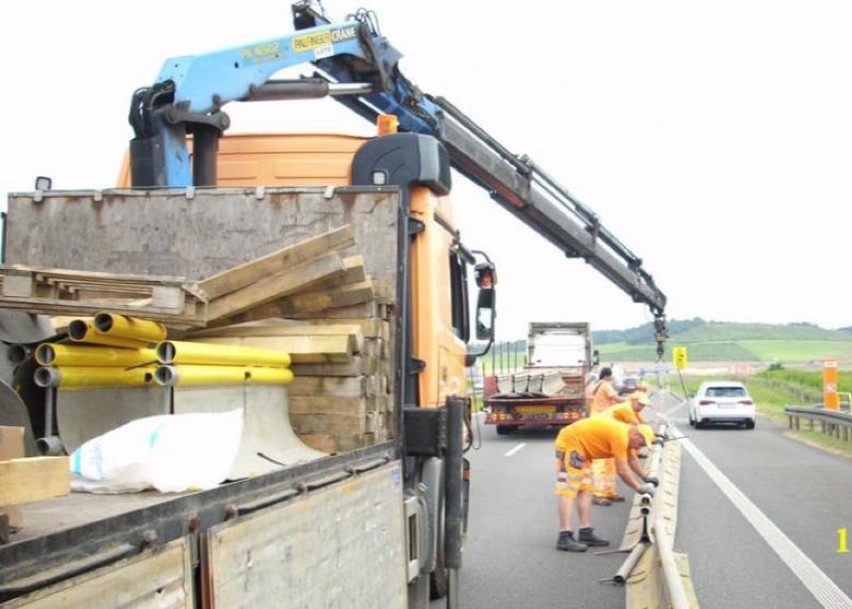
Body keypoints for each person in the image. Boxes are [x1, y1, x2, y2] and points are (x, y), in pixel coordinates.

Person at [554, 417, 658, 552]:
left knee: (585, 490)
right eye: (641, 443)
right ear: (636, 435)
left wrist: (646, 477)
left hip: (583, 450)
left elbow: (632, 459)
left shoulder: (628, 436)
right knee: (569, 489)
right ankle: (564, 536)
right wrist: (639, 488)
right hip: (571, 443)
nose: (639, 447)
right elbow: (622, 470)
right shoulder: (620, 435)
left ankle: (585, 532)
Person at [585, 367, 621, 505]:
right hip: (602, 424)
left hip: (599, 422)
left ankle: (609, 491)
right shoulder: (606, 385)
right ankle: (599, 493)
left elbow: (589, 404)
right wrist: (629, 401)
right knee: (601, 460)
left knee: (610, 459)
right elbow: (616, 398)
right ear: (608, 376)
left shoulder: (594, 386)